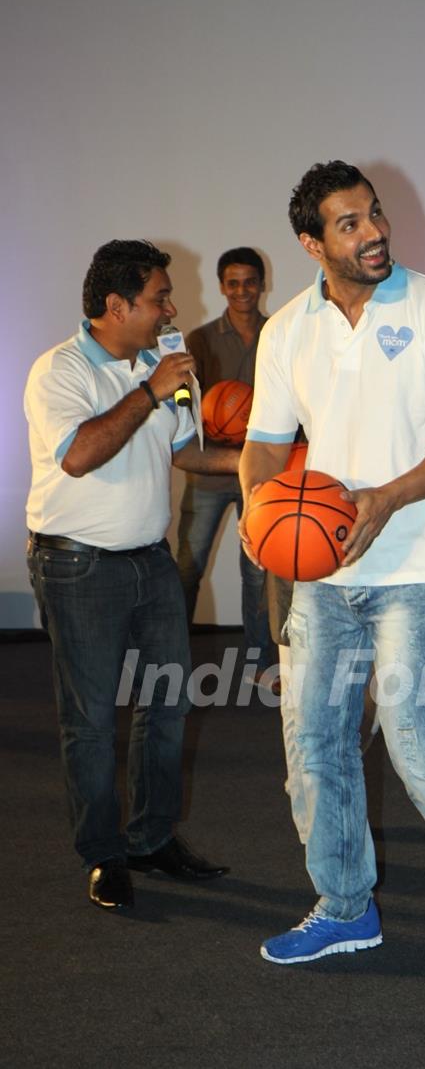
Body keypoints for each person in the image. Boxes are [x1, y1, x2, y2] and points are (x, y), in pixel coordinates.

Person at [239, 161, 425, 986]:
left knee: (419, 746)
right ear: (311, 242)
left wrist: (387, 498)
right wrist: (256, 509)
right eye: (349, 223)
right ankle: (346, 905)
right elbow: (261, 439)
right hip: (319, 574)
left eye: (375, 215)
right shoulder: (287, 329)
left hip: (416, 568)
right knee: (315, 747)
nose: (373, 232)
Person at [25, 239, 237, 912]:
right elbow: (80, 454)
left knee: (167, 704)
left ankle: (149, 839)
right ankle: (102, 854)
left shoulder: (158, 363)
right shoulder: (57, 371)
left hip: (150, 561)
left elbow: (186, 453)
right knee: (90, 720)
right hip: (77, 564)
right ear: (115, 306)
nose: (171, 308)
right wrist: (150, 389)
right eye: (158, 298)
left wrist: (265, 464)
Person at [176, 247, 274, 686]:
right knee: (188, 568)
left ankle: (259, 665)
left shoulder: (280, 335)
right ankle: (169, 662)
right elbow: (186, 406)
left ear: (261, 283)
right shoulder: (199, 340)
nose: (241, 291)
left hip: (262, 470)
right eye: (232, 283)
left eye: (249, 281)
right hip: (211, 469)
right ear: (221, 286)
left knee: (258, 572)